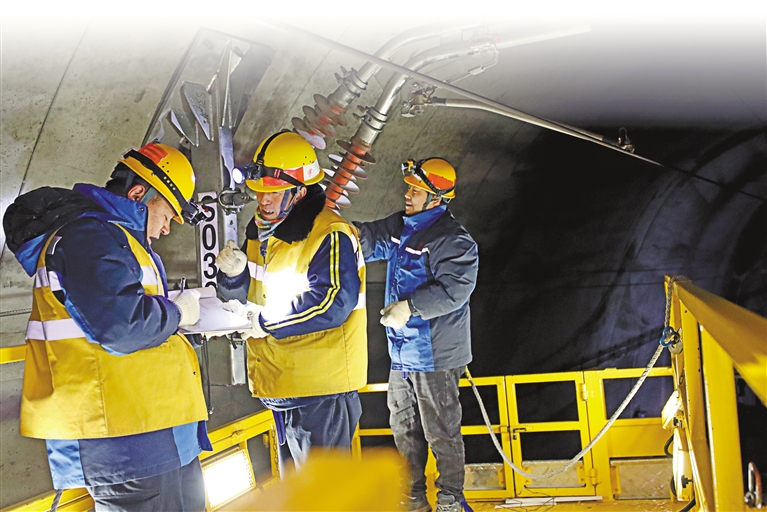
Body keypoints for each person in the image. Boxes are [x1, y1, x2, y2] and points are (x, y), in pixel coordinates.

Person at [3, 142, 211, 512]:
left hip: (154, 432)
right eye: (167, 214)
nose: (166, 228)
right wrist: (178, 314)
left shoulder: (118, 240)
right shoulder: (87, 238)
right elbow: (121, 327)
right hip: (124, 443)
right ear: (138, 194)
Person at [215, 130, 367, 474]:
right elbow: (248, 298)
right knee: (298, 496)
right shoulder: (261, 233)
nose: (263, 201)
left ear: (299, 192)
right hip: (280, 385)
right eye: (260, 192)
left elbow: (333, 302)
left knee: (325, 496)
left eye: (273, 192)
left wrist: (265, 323)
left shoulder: (329, 233)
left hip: (320, 390)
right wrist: (233, 278)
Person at [353, 157, 479, 512]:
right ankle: (413, 499)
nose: (407, 195)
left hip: (435, 354)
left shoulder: (453, 240)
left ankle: (450, 500)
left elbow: (455, 289)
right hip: (402, 353)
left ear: (436, 198)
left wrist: (410, 307)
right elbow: (372, 240)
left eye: (416, 191)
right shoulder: (402, 225)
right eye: (409, 188)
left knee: (441, 431)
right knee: (404, 427)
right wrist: (338, 233)